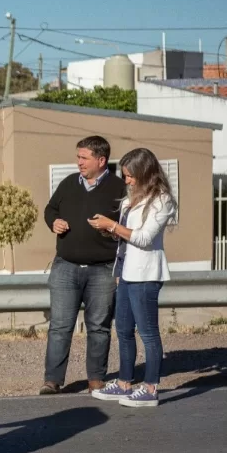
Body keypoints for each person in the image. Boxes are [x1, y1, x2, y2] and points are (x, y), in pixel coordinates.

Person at [87, 148, 176, 408]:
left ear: (145, 173)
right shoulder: (130, 200)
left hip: (146, 274)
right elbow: (126, 238)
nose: (126, 181)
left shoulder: (162, 200)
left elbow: (144, 238)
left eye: (130, 176)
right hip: (126, 272)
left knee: (148, 333)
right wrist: (109, 231)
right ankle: (125, 383)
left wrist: (112, 226)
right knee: (123, 330)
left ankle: (150, 388)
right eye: (125, 175)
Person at [41, 135, 125, 395]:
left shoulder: (119, 189)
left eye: (83, 158)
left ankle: (96, 380)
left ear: (101, 160)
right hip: (66, 267)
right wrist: (53, 222)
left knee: (99, 327)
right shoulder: (68, 184)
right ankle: (52, 380)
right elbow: (50, 209)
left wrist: (110, 229)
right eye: (78, 157)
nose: (78, 162)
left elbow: (129, 226)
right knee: (60, 326)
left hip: (103, 269)